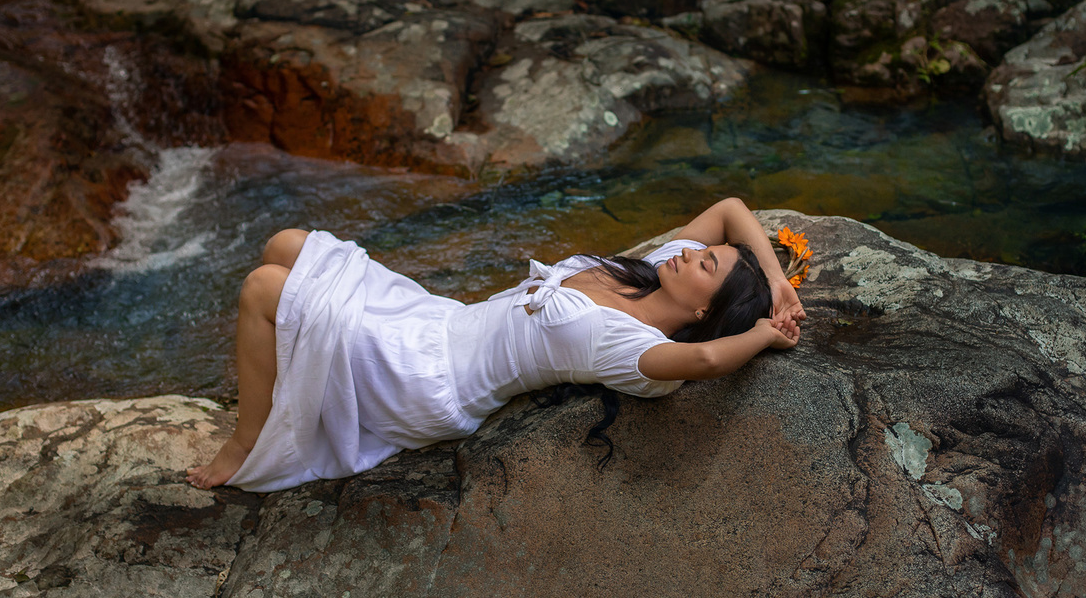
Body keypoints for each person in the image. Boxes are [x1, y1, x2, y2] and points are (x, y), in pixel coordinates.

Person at [187, 196, 805, 491]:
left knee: (264, 289)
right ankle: (282, 382)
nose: (691, 251)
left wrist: (760, 334)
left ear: (703, 309)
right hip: (435, 320)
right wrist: (775, 281)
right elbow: (729, 209)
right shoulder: (648, 273)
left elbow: (704, 359)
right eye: (701, 252)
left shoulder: (630, 347)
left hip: (428, 380)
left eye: (705, 265)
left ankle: (246, 445)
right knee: (288, 244)